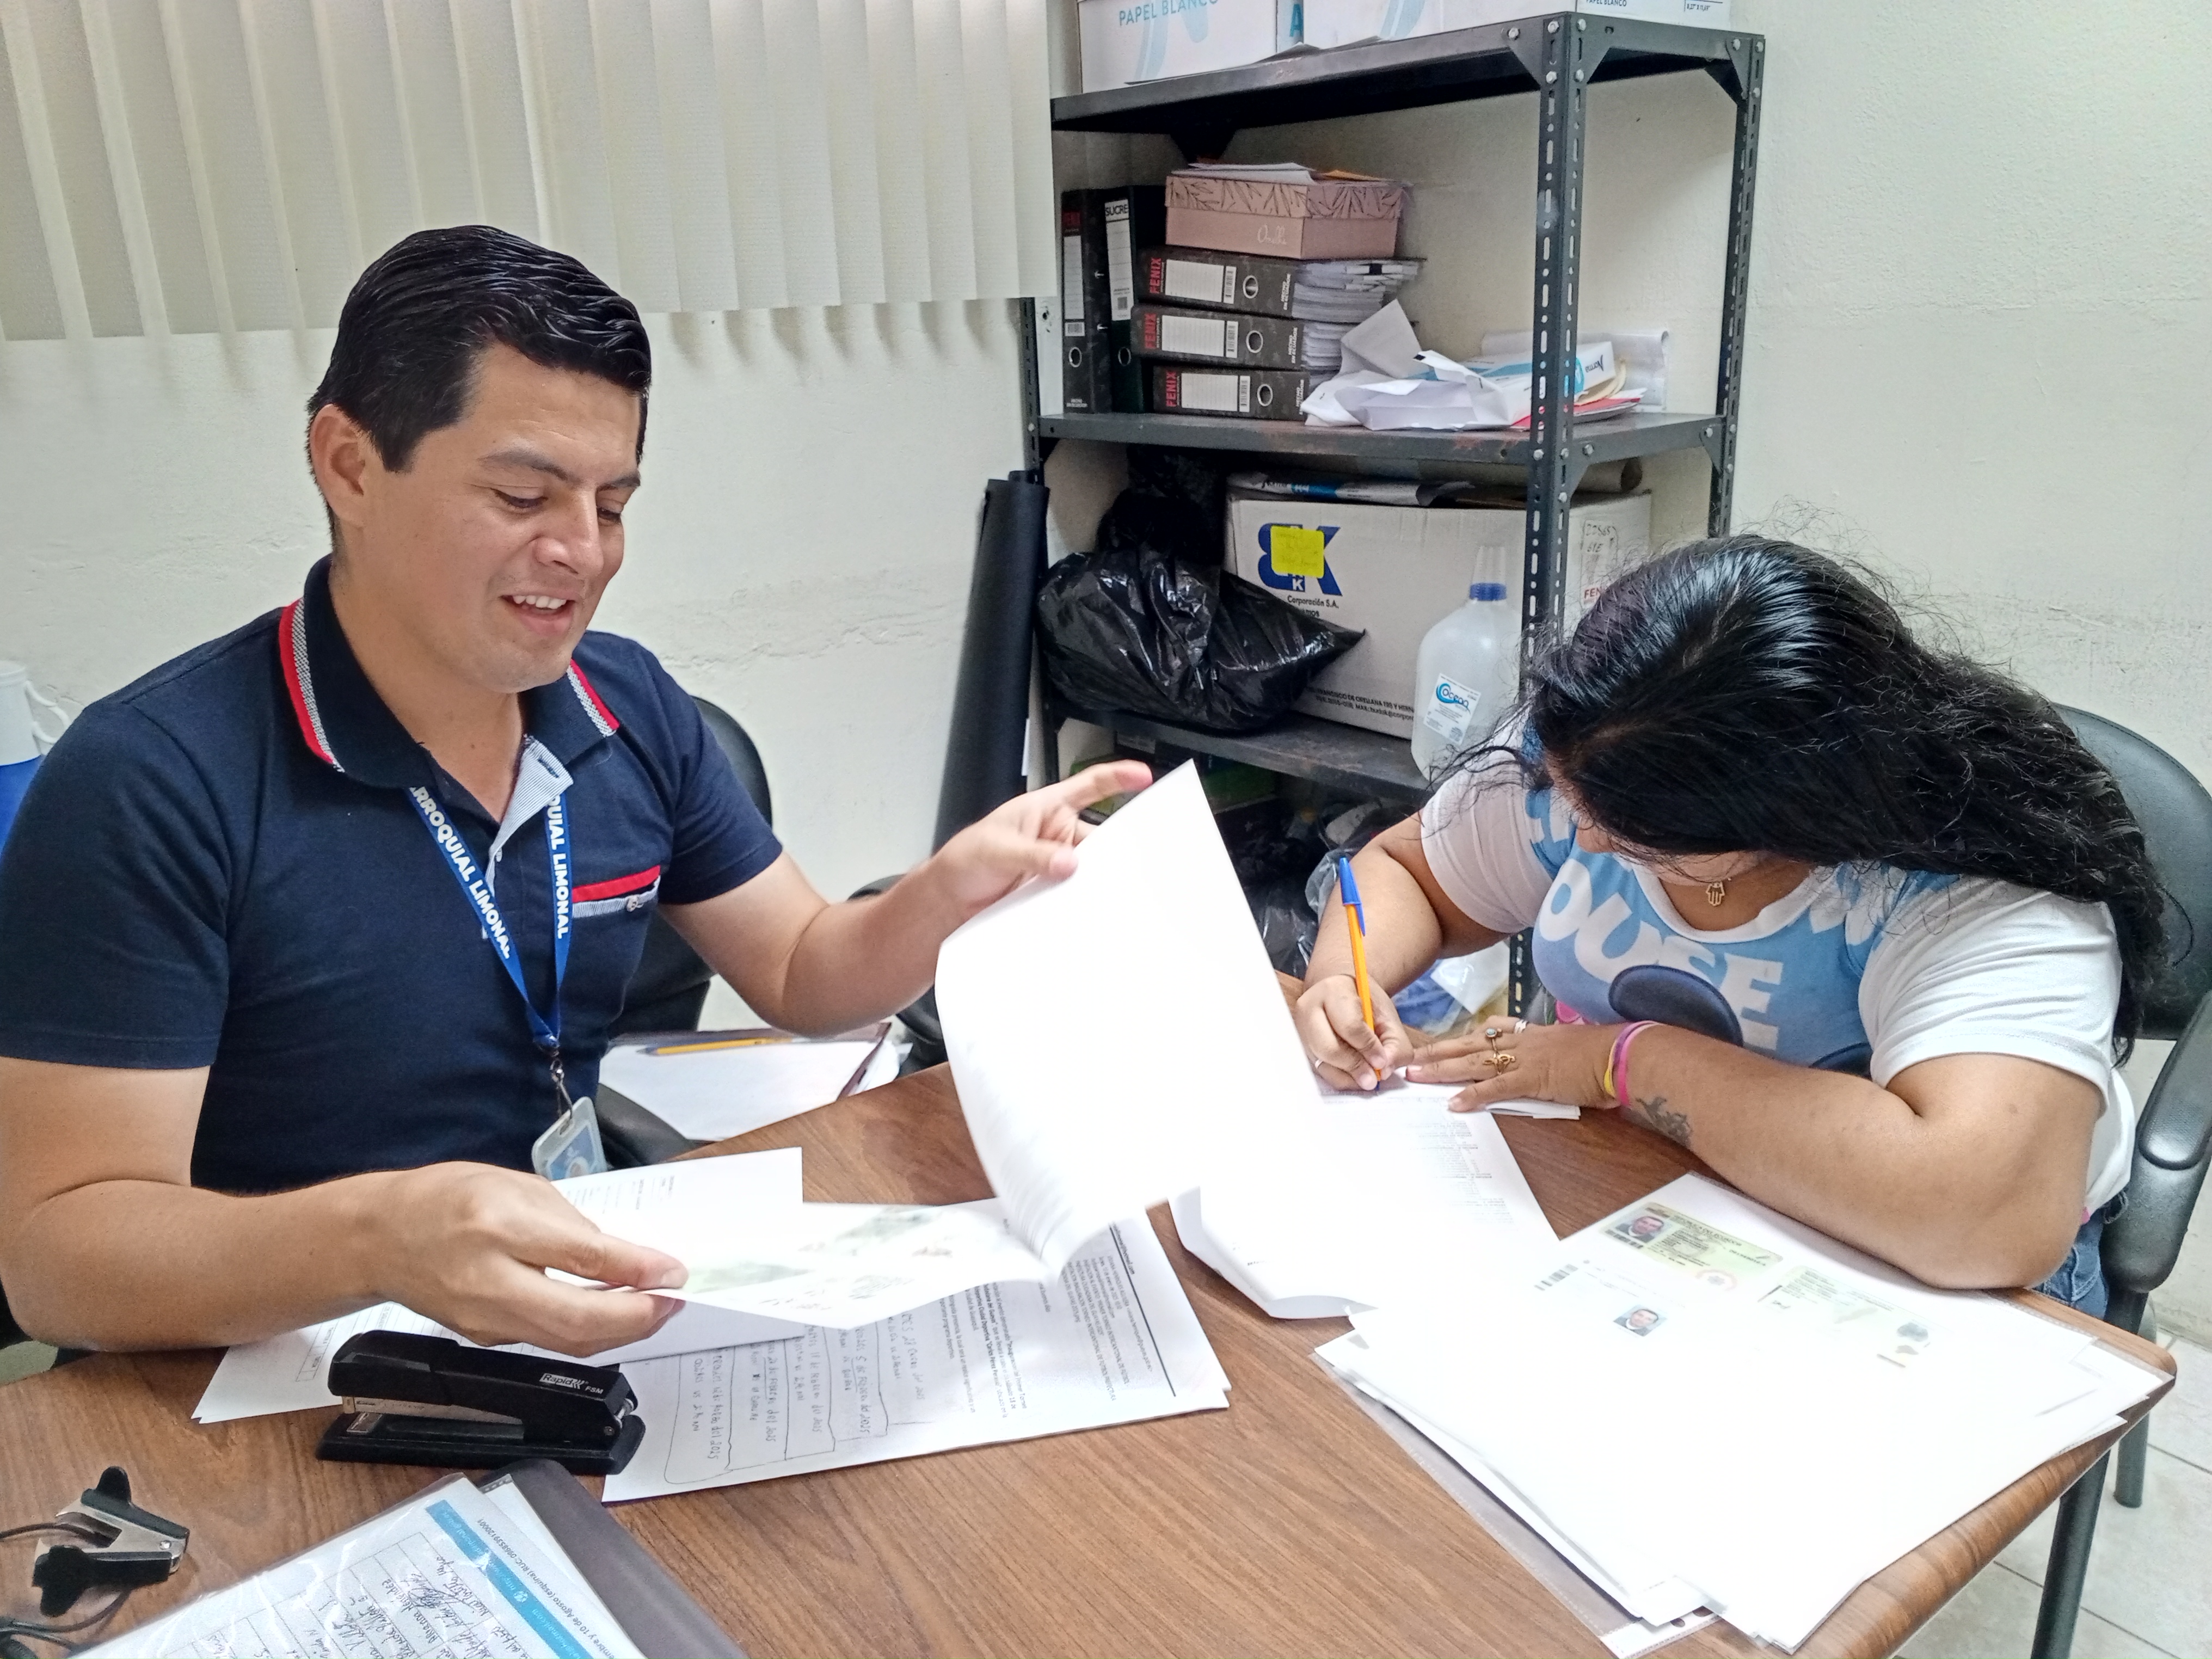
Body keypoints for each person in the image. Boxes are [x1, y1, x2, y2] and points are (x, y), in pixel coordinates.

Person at [0, 227, 1147, 1357]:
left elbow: (805, 970)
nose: (582, 553)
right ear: (350, 466)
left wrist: (947, 891)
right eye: (521, 496)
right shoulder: (153, 778)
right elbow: (57, 1257)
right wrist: (378, 1238)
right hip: (266, 1367)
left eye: (611, 505)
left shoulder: (625, 704)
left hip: (565, 1317)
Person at [1296, 537, 2164, 1314]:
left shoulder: (1973, 889)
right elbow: (1409, 872)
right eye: (1570, 798)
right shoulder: (1603, 744)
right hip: (1646, 1179)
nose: (1583, 838)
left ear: (1792, 816)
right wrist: (1343, 979)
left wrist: (1619, 1062)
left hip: (1907, 1266)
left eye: (1635, 836)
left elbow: (1981, 1216)